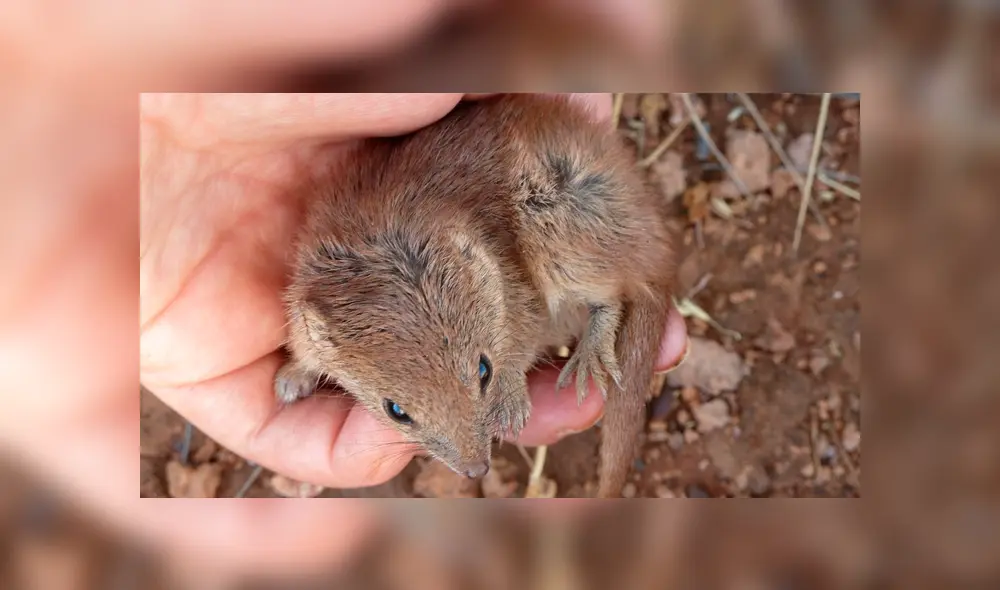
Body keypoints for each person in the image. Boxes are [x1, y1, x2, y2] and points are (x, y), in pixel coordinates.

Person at [2, 1, 681, 580]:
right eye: (398, 411)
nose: (470, 463)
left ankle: (610, 305)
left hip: (545, 182)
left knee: (568, 254)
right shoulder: (319, 326)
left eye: (471, 371)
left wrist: (501, 369)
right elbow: (312, 340)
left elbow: (511, 302)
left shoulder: (471, 270)